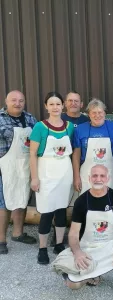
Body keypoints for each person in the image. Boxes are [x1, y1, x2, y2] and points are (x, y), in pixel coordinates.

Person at [52, 164, 113, 297]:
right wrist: (77, 252)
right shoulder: (81, 201)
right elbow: (74, 233)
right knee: (73, 284)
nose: (98, 179)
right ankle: (93, 273)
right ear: (89, 178)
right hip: (88, 249)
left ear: (107, 178)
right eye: (95, 175)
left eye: (102, 176)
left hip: (111, 245)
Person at [29, 92, 75, 264]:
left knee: (62, 209)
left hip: (64, 172)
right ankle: (42, 248)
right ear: (46, 106)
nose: (55, 107)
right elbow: (32, 153)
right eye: (51, 104)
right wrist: (34, 178)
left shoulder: (69, 126)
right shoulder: (40, 127)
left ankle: (58, 244)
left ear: (63, 105)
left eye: (58, 104)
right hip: (46, 172)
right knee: (47, 212)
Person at [0, 90, 37, 254]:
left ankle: (18, 233)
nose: (17, 103)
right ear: (6, 102)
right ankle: (1, 240)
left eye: (21, 100)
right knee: (4, 203)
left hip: (25, 166)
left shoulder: (30, 119)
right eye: (13, 100)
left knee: (21, 198)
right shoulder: (0, 119)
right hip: (5, 167)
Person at [72, 99, 113, 195]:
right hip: (87, 174)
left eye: (100, 112)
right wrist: (76, 176)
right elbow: (76, 155)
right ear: (89, 114)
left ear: (105, 113)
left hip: (110, 173)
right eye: (94, 113)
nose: (97, 115)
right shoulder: (80, 129)